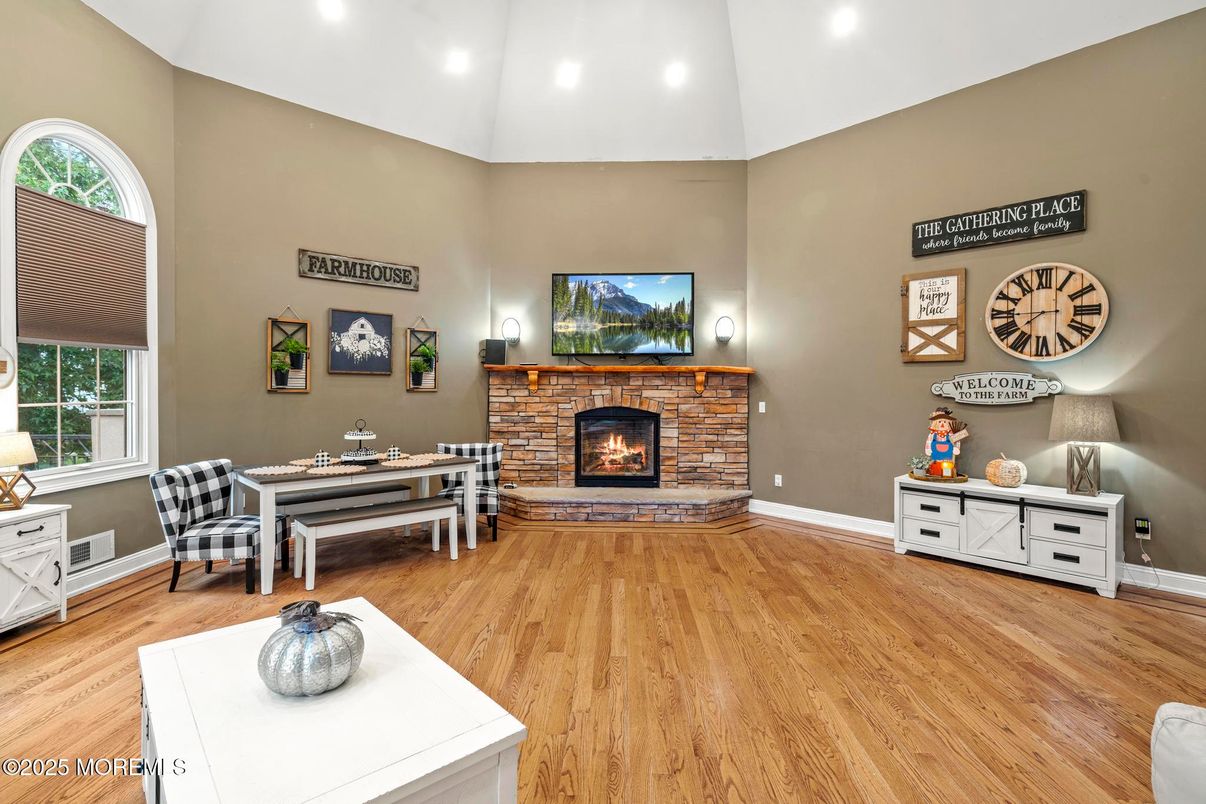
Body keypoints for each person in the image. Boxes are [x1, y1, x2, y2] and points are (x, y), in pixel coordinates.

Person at [925, 407, 967, 476]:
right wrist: (928, 449)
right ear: (935, 423)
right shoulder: (932, 434)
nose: (942, 424)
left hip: (948, 461)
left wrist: (956, 448)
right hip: (935, 460)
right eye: (939, 422)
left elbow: (957, 442)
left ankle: (947, 475)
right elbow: (928, 443)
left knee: (947, 472)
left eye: (944, 422)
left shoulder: (951, 434)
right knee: (935, 470)